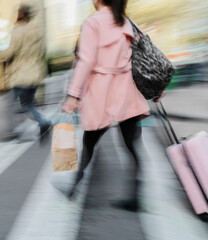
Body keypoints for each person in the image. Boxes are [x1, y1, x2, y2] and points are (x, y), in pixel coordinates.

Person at [62, 0, 163, 210]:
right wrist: (156, 87)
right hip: (127, 90)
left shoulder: (93, 23)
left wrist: (73, 94)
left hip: (101, 91)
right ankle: (135, 196)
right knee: (133, 146)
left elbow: (86, 60)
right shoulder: (128, 23)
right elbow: (145, 57)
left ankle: (74, 185)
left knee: (89, 143)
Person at [0, 5, 52, 141]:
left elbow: (10, 52)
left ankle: (25, 129)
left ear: (21, 14)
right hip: (35, 75)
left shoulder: (18, 31)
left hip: (21, 76)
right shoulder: (37, 33)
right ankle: (40, 123)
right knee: (28, 103)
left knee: (15, 104)